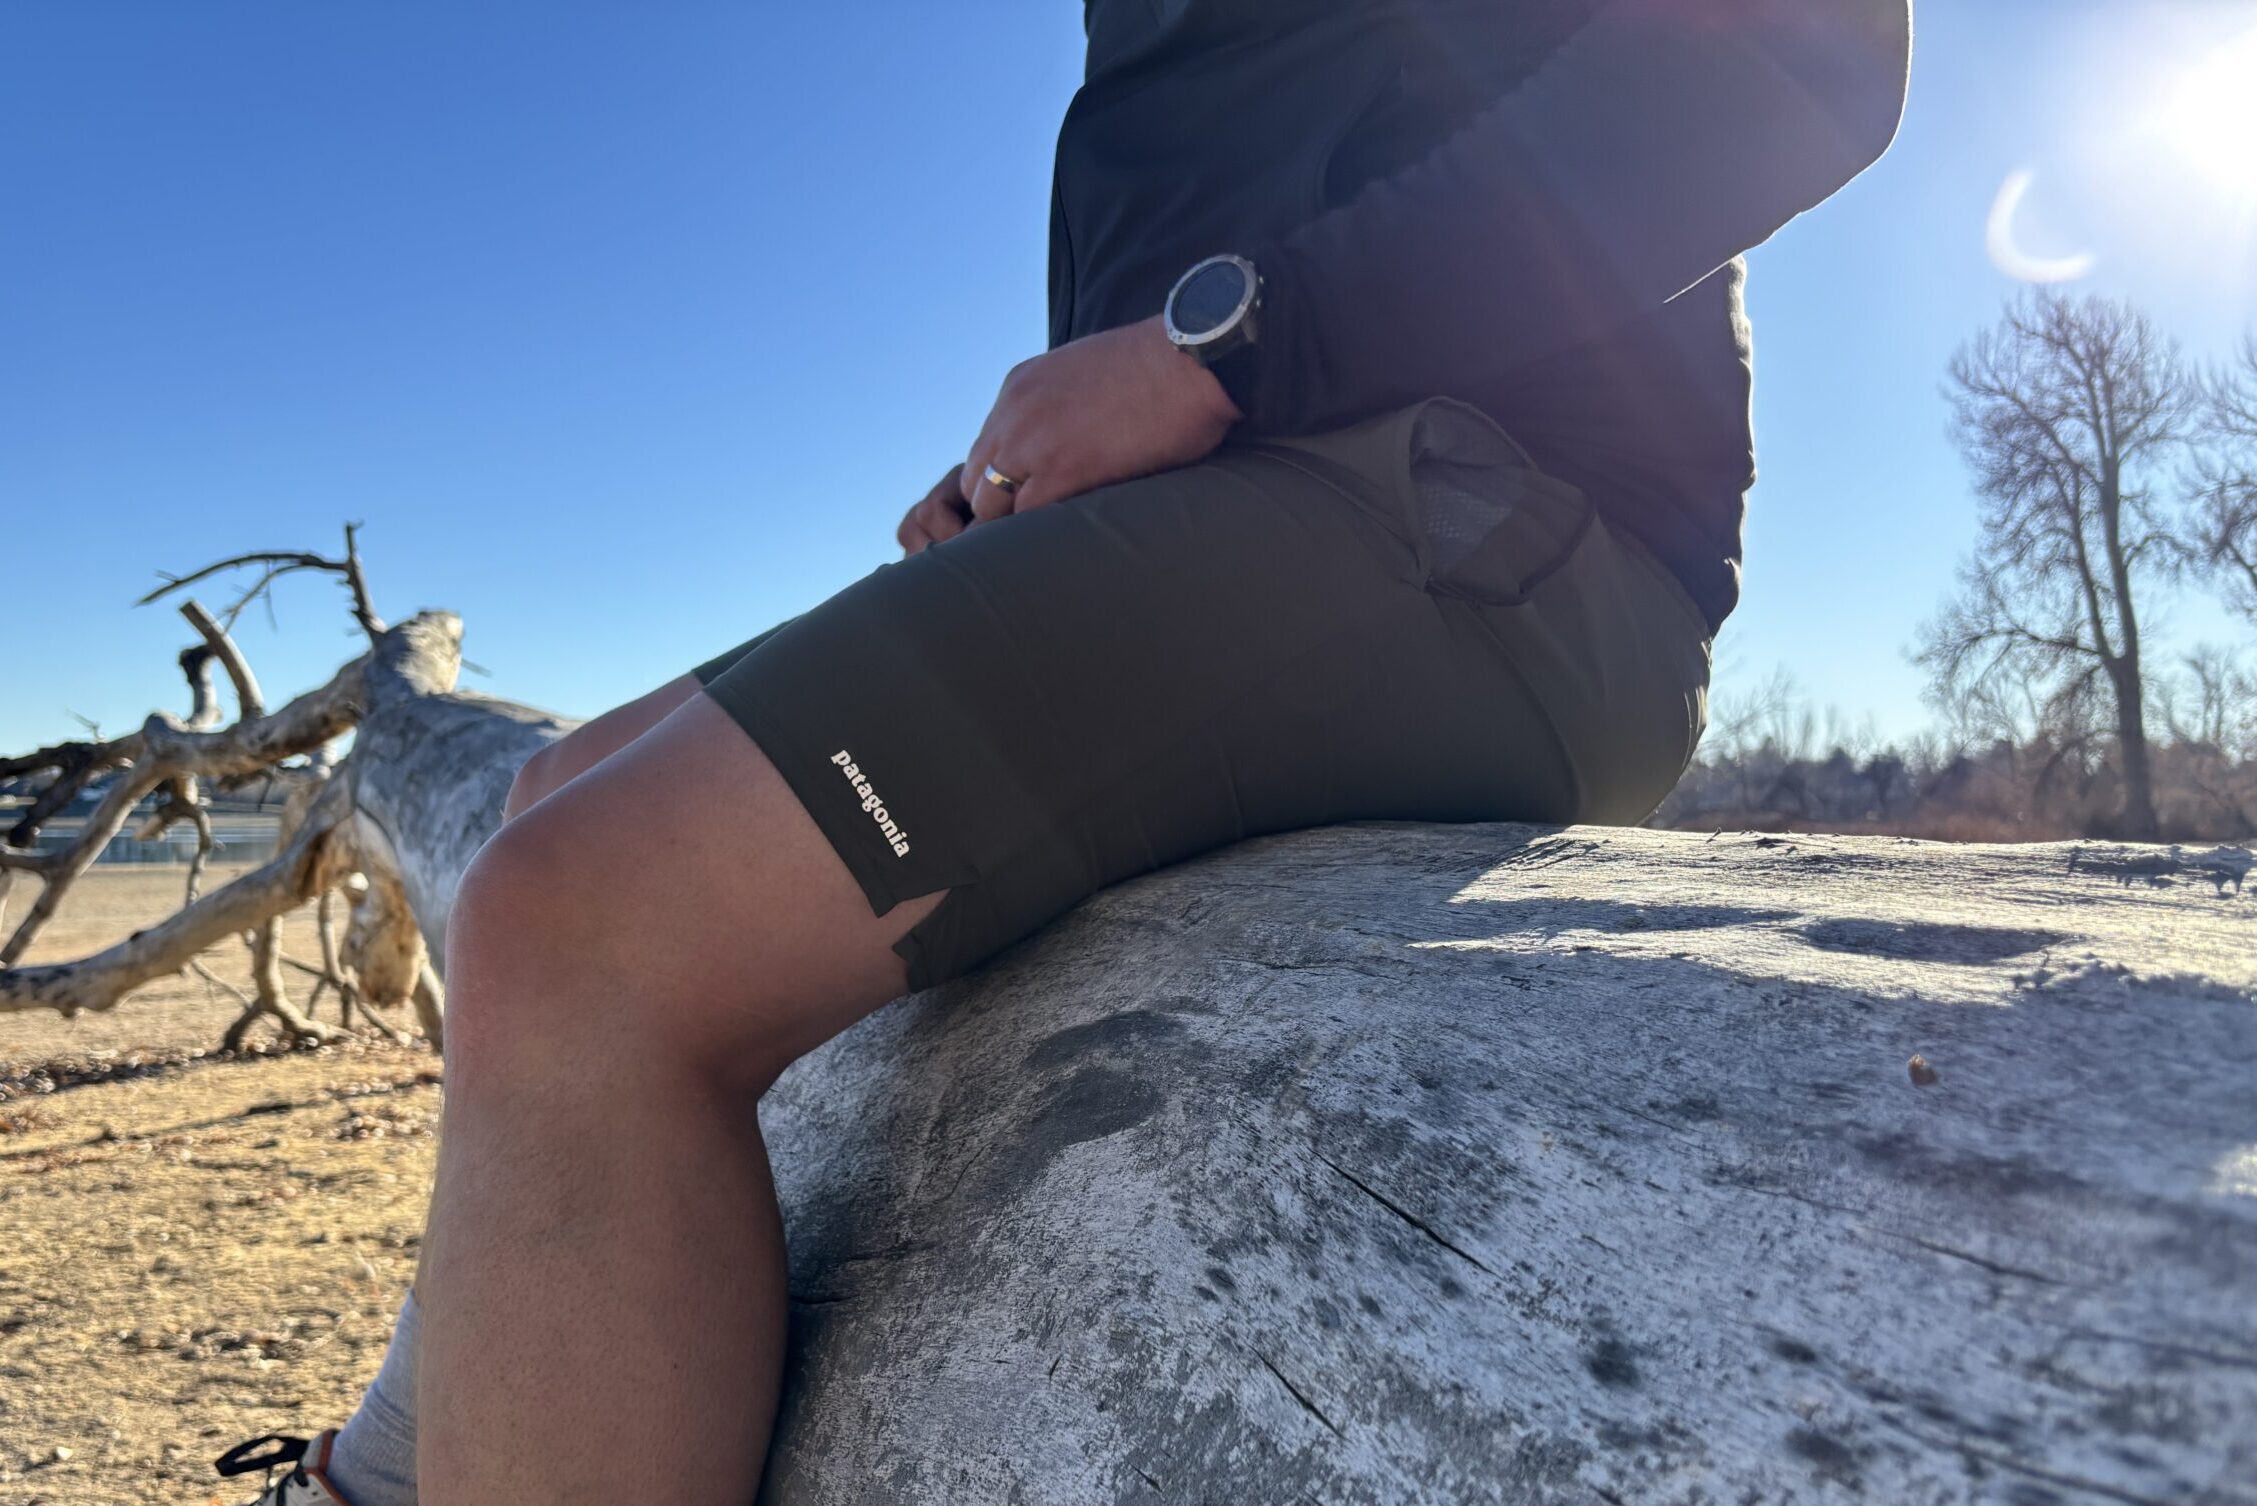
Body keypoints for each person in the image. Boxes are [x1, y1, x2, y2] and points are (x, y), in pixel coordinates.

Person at [212, 1, 1910, 1501]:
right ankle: (391, 1476)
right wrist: (1033, 494)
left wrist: (1227, 346)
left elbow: (1803, 51)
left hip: (1499, 529)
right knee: (546, 797)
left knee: (589, 924)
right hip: (1275, 505)